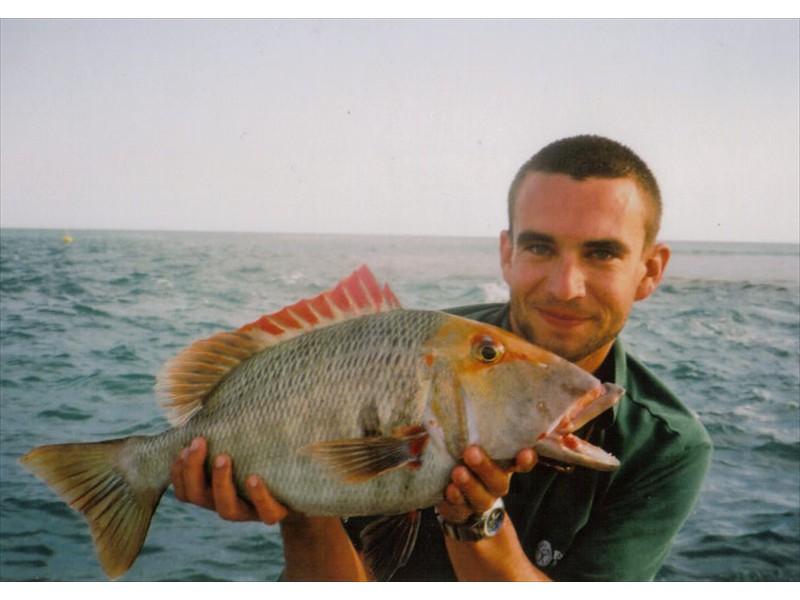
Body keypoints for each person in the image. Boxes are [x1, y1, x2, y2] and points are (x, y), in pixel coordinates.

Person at [170, 134, 712, 581]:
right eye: (540, 248)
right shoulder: (403, 355)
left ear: (650, 270)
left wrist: (476, 521)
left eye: (601, 253)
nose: (565, 286)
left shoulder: (666, 446)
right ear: (507, 252)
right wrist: (301, 507)